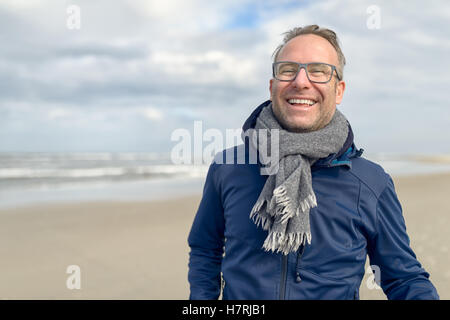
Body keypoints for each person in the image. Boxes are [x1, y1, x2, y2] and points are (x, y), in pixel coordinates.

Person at [187, 25, 439, 300]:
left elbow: (403, 278)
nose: (301, 81)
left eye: (319, 70)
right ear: (273, 87)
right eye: (288, 70)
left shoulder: (371, 183)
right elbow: (205, 248)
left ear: (339, 90)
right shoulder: (227, 167)